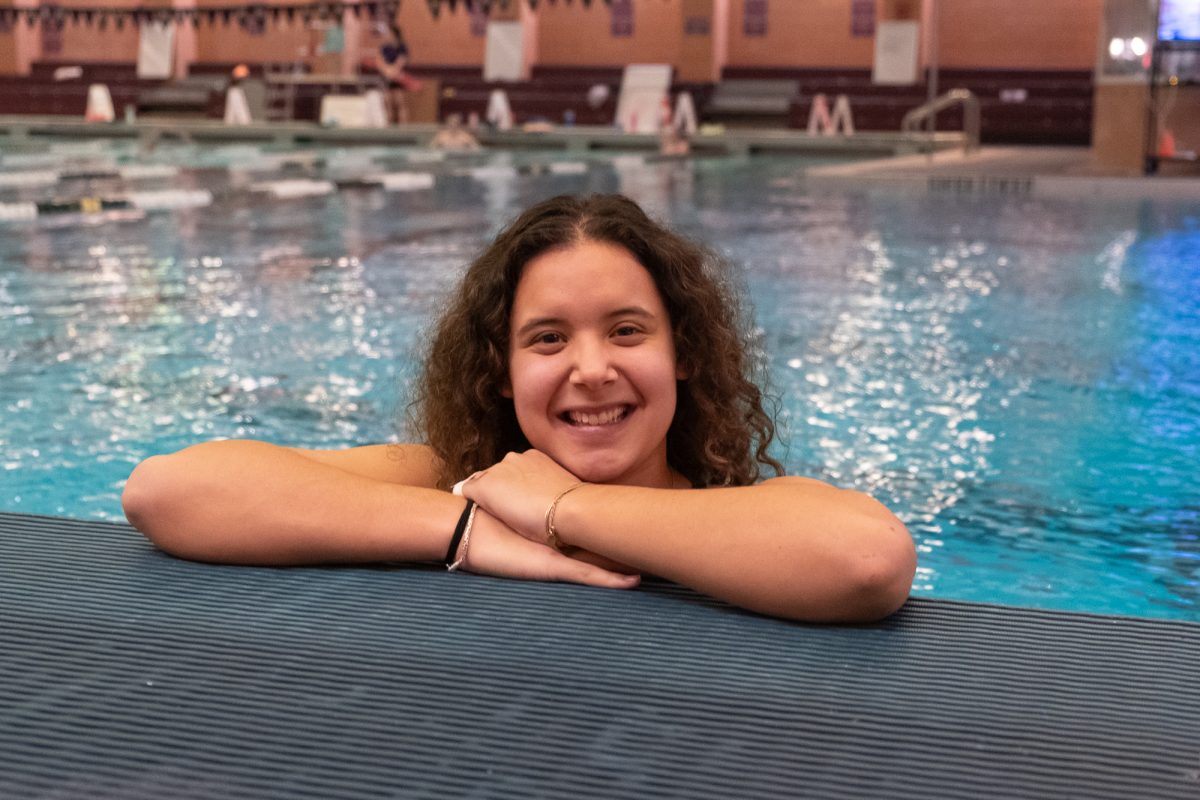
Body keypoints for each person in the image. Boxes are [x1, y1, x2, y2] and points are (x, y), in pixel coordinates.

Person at [122, 194, 916, 623]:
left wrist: (568, 508)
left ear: (686, 355)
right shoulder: (460, 482)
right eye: (546, 339)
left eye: (627, 331)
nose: (591, 369)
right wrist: (468, 531)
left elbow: (867, 561)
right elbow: (168, 491)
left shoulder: (735, 519)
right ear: (500, 372)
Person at [375, 22, 416, 124]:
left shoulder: (402, 46)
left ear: (394, 34)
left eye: (389, 33)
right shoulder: (384, 47)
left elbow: (401, 60)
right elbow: (379, 60)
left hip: (398, 75)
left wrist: (394, 72)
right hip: (387, 75)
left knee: (400, 101)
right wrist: (386, 71)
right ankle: (388, 123)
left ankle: (403, 124)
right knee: (387, 101)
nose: (387, 35)